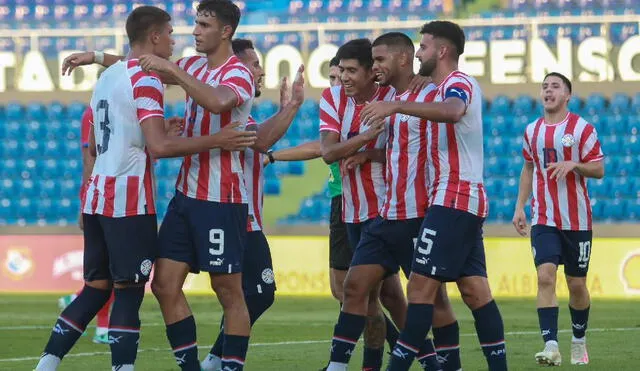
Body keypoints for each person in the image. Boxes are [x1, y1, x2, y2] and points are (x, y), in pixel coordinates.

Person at [35, 5, 256, 371]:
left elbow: (217, 100)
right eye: (188, 26)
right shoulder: (190, 67)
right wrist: (99, 56)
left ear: (226, 31)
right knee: (162, 285)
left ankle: (230, 366)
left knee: (228, 290)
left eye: (203, 25)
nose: (191, 32)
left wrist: (159, 67)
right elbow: (139, 65)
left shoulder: (238, 73)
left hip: (222, 196)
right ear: (155, 37)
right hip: (177, 197)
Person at [360, 21, 507, 371]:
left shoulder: (457, 83)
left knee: (420, 291)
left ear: (441, 51)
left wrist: (396, 108)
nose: (418, 54)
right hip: (460, 199)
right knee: (474, 292)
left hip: (454, 197)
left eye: (423, 48)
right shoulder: (437, 89)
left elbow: (454, 112)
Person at [324, 33, 460, 371]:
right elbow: (332, 151)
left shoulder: (422, 96)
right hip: (380, 215)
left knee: (427, 298)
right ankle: (338, 366)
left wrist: (368, 148)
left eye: (354, 69)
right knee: (354, 287)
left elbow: (436, 139)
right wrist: (368, 148)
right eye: (340, 71)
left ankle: (441, 364)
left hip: (416, 214)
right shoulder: (374, 99)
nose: (343, 78)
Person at [200, 38, 305, 371]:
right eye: (254, 64)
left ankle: (215, 360)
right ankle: (217, 360)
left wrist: (286, 111)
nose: (260, 71)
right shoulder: (232, 117)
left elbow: (263, 139)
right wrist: (290, 109)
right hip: (237, 217)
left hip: (244, 217)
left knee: (244, 295)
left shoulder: (241, 115)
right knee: (258, 293)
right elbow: (263, 140)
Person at [512, 72, 604, 366]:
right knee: (545, 276)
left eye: (555, 87)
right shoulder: (532, 131)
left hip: (577, 221)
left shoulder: (582, 129)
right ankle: (551, 345)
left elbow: (599, 169)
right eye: (545, 86)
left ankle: (578, 340)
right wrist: (519, 207)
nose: (548, 91)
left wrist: (575, 164)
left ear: (567, 95)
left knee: (577, 285)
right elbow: (528, 168)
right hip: (544, 217)